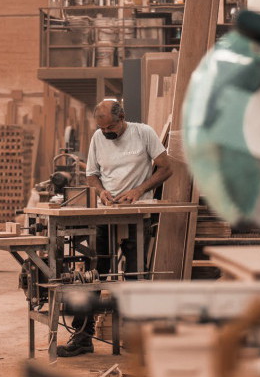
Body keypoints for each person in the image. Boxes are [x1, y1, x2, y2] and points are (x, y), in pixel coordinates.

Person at [57, 100, 173, 357]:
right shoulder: (98, 137)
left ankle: (133, 337)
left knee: (134, 276)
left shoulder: (143, 133)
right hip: (107, 213)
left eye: (110, 127)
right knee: (93, 276)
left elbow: (166, 167)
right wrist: (101, 192)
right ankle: (83, 337)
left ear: (123, 118)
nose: (106, 132)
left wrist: (139, 190)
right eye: (102, 127)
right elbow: (91, 174)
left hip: (137, 214)